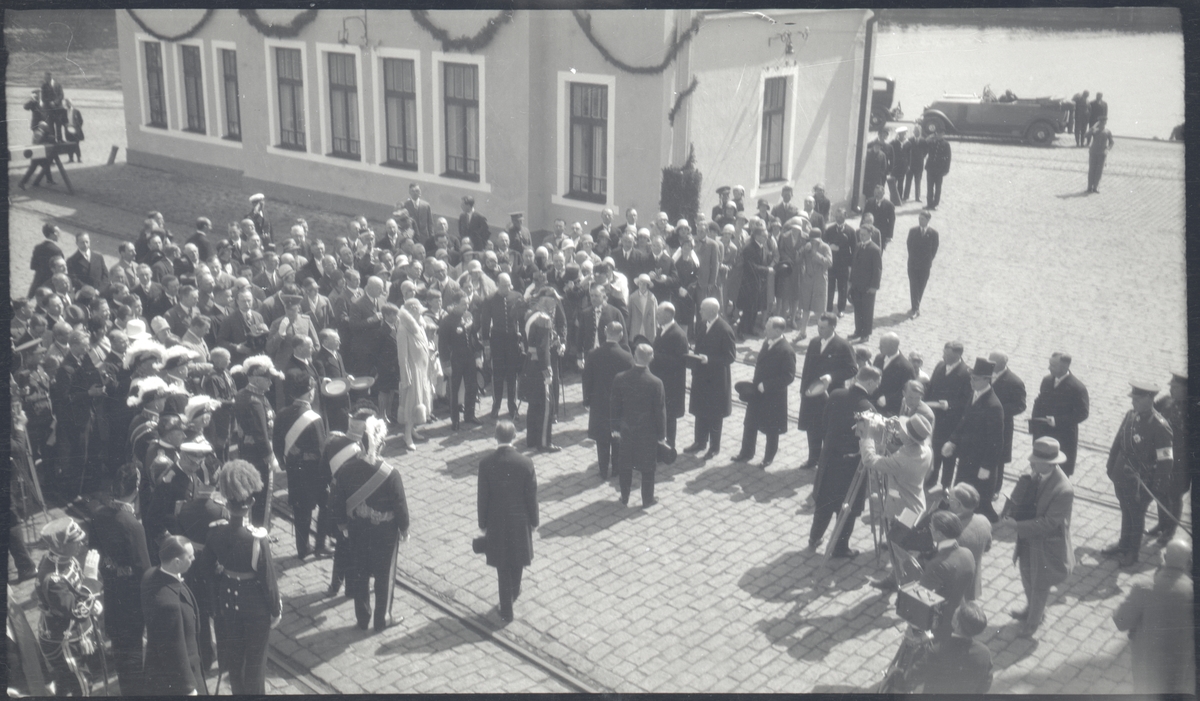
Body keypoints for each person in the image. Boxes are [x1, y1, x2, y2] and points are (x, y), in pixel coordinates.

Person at [196, 460, 280, 694]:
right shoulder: (256, 538)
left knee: (234, 662)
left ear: (226, 501)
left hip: (228, 603)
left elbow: (205, 569)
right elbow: (268, 581)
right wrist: (276, 609)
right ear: (251, 502)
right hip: (255, 607)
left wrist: (219, 589)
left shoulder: (216, 531)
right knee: (255, 667)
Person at [332, 407, 409, 632]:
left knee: (360, 574)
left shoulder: (346, 470)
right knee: (384, 576)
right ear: (381, 444)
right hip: (385, 532)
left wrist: (343, 525)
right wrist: (404, 529)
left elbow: (336, 502)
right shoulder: (391, 474)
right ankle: (382, 618)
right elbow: (400, 506)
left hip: (357, 529)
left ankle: (363, 618)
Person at [1000, 437, 1075, 638]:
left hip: (1046, 545)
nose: (1031, 463)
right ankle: (1032, 609)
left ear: (1050, 463)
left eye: (1035, 460)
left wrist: (1017, 526)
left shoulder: (1064, 489)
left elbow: (1049, 523)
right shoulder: (1037, 474)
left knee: (1040, 584)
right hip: (1029, 539)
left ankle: (1033, 622)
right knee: (1026, 576)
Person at [90, 463, 150, 695]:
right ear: (136, 488)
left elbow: (94, 553)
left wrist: (112, 570)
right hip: (133, 597)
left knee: (118, 644)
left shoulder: (98, 514)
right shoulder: (132, 525)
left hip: (112, 591)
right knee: (133, 648)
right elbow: (144, 570)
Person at [809, 365, 880, 557]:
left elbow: (825, 422)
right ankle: (840, 548)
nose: (876, 388)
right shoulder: (868, 409)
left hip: (829, 458)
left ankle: (814, 538)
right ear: (871, 382)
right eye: (876, 384)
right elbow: (870, 441)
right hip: (851, 467)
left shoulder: (836, 394)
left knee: (823, 503)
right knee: (848, 508)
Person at [1102, 380, 1174, 568]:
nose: (1133, 402)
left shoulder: (1160, 426)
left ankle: (1132, 553)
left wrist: (1157, 487)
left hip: (1141, 482)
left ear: (1150, 399)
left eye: (1137, 399)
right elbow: (1118, 443)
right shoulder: (1130, 415)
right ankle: (1123, 543)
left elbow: (1166, 461)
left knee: (1136, 515)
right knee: (1125, 509)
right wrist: (1111, 468)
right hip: (1122, 475)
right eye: (1133, 398)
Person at [1112, 538, 1194, 695]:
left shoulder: (1144, 587)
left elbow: (1120, 621)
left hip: (1147, 667)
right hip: (1182, 670)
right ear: (1189, 563)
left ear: (1164, 557)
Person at [861, 413, 932, 591]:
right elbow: (903, 452)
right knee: (898, 544)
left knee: (899, 547)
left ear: (908, 438)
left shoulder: (902, 460)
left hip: (905, 511)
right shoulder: (925, 450)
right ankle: (897, 578)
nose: (899, 430)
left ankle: (906, 583)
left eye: (903, 430)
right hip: (915, 505)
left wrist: (867, 436)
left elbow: (870, 460)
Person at [477, 420, 539, 623]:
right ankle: (514, 592)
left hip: (497, 522)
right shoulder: (525, 463)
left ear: (495, 437)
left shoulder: (486, 464)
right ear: (514, 437)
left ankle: (506, 610)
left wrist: (483, 523)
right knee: (517, 558)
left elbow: (483, 498)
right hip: (519, 521)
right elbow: (531, 496)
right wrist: (534, 520)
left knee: (502, 566)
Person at [34, 517, 104, 696]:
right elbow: (77, 611)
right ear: (59, 546)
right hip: (64, 640)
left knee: (66, 683)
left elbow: (77, 592)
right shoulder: (53, 578)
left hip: (75, 632)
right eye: (76, 540)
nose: (82, 542)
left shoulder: (65, 559)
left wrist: (92, 603)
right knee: (81, 683)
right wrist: (91, 579)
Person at [942, 358, 1006, 522]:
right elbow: (964, 421)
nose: (971, 381)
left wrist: (987, 466)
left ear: (986, 380)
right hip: (966, 457)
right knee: (962, 495)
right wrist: (953, 441)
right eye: (971, 378)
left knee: (979, 502)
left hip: (980, 463)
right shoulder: (974, 395)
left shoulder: (994, 405)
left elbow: (996, 441)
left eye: (975, 379)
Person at [141, 536, 206, 695]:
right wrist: (189, 687)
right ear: (177, 562)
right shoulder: (170, 605)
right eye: (190, 557)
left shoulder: (150, 575)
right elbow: (174, 650)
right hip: (181, 677)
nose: (193, 559)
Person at [274, 371, 328, 559]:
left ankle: (302, 549)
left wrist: (285, 462)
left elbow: (277, 444)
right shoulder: (314, 418)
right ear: (310, 392)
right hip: (315, 474)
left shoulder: (281, 414)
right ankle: (321, 545)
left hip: (294, 472)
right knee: (326, 506)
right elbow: (321, 452)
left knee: (300, 512)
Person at [797, 312, 857, 470]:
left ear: (833, 327)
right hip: (812, 395)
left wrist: (832, 376)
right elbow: (807, 368)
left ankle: (827, 463)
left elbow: (852, 369)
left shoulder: (843, 345)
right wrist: (803, 390)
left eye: (823, 327)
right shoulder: (814, 342)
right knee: (812, 428)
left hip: (830, 396)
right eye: (818, 326)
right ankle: (813, 458)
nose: (819, 330)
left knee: (828, 430)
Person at [735, 317, 796, 469]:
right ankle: (746, 452)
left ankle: (768, 457)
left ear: (777, 330)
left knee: (771, 428)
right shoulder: (766, 342)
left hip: (773, 396)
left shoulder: (786, 350)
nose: (764, 329)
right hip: (758, 392)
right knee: (750, 423)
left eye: (768, 327)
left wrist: (767, 385)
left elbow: (789, 376)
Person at [611, 344, 667, 507]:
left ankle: (625, 497)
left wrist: (615, 428)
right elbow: (660, 412)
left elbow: (614, 406)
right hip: (647, 432)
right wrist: (662, 435)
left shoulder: (620, 378)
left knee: (625, 464)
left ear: (635, 356)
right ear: (651, 359)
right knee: (648, 467)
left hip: (626, 429)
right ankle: (647, 499)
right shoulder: (656, 383)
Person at [232, 355, 283, 527]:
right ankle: (260, 531)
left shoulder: (247, 394)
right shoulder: (254, 400)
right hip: (259, 454)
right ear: (254, 378)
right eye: (266, 379)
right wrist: (270, 456)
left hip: (249, 452)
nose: (270, 382)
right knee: (261, 495)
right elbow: (260, 433)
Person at [685, 298, 736, 459]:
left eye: (702, 309)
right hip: (701, 376)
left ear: (712, 312)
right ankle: (699, 441)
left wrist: (710, 359)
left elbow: (730, 357)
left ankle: (714, 446)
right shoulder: (702, 324)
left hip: (716, 380)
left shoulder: (724, 329)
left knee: (715, 414)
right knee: (700, 410)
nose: (699, 312)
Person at [582, 321, 633, 480]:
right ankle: (616, 468)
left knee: (601, 438)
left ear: (605, 332)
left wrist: (586, 401)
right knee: (617, 436)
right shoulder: (627, 356)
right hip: (619, 403)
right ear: (621, 335)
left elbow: (587, 379)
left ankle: (603, 469)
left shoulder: (593, 354)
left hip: (599, 402)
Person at [909, 602, 994, 694]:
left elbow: (912, 678)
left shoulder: (937, 652)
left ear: (957, 624)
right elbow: (984, 686)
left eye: (954, 614)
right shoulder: (985, 653)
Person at [1030, 351, 1090, 477]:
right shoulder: (1046, 380)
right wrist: (1034, 429)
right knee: (1039, 471)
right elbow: (1039, 402)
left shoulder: (1077, 388)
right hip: (1043, 436)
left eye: (1052, 365)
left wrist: (1057, 421)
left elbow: (1082, 413)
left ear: (1065, 367)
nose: (1048, 368)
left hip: (1063, 438)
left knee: (1059, 473)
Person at [918, 511, 975, 642]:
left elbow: (923, 595)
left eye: (931, 527)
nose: (929, 529)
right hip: (960, 608)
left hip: (941, 619)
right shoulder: (967, 553)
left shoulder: (936, 564)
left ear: (939, 534)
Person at [1149, 371, 1189, 544]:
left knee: (1174, 495)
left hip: (1182, 463)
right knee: (1159, 490)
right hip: (1162, 457)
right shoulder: (1166, 401)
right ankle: (1162, 523)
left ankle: (1170, 530)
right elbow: (1149, 412)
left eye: (1175, 386)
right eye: (1171, 385)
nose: (1170, 388)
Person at [925, 341, 971, 488]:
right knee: (934, 455)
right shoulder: (940, 366)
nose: (943, 355)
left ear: (958, 355)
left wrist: (950, 405)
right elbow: (931, 388)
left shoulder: (966, 373)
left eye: (947, 354)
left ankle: (945, 488)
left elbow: (967, 401)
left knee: (948, 459)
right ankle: (930, 482)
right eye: (944, 352)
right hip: (934, 421)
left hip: (951, 424)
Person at [478, 273, 524, 421]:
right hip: (497, 340)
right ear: (497, 284)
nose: (508, 288)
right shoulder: (490, 299)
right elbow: (485, 323)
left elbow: (522, 319)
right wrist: (486, 344)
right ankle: (496, 405)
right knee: (497, 375)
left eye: (509, 284)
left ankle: (512, 406)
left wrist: (522, 338)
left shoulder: (517, 296)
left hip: (512, 340)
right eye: (504, 285)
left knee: (512, 375)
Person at [522, 290, 562, 452]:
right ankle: (544, 442)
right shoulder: (544, 320)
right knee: (546, 406)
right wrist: (547, 371)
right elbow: (543, 349)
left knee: (534, 404)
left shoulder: (531, 314)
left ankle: (532, 439)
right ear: (546, 300)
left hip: (530, 364)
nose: (555, 305)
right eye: (553, 301)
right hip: (540, 366)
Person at [438, 289, 483, 431]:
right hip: (454, 359)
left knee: (472, 387)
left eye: (467, 303)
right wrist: (446, 365)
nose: (466, 306)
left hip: (469, 358)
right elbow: (442, 345)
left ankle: (469, 415)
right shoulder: (446, 321)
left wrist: (477, 356)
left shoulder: (468, 316)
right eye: (463, 304)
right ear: (455, 304)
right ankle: (455, 420)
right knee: (454, 390)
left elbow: (473, 337)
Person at [649, 302, 689, 448]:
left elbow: (680, 361)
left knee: (670, 417)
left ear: (668, 315)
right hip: (660, 380)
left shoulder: (678, 335)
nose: (656, 316)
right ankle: (659, 442)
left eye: (658, 314)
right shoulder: (661, 329)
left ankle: (669, 446)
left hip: (672, 385)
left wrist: (655, 356)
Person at [947, 483, 991, 602]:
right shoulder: (984, 521)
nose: (947, 501)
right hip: (972, 584)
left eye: (949, 498)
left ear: (957, 505)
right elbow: (987, 547)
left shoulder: (951, 533)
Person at [988, 351, 1026, 487]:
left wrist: (998, 410)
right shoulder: (985, 373)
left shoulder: (1014, 382)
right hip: (984, 423)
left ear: (1003, 364)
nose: (990, 364)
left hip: (1002, 425)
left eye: (994, 362)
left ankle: (996, 488)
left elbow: (1020, 406)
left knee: (999, 458)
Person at [847, 226, 881, 343]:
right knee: (858, 309)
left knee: (867, 310)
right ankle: (858, 330)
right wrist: (850, 281)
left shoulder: (875, 249)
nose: (861, 237)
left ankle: (866, 333)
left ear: (870, 234)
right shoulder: (858, 246)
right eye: (860, 234)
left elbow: (877, 270)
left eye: (864, 234)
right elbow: (854, 264)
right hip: (857, 285)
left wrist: (874, 286)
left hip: (868, 286)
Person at [905, 210, 939, 318]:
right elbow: (909, 246)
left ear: (928, 220)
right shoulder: (913, 231)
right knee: (913, 285)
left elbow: (934, 250)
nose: (920, 221)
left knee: (921, 286)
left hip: (925, 265)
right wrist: (913, 258)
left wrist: (928, 260)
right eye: (919, 219)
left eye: (923, 219)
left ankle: (916, 305)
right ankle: (915, 309)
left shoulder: (933, 234)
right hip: (913, 264)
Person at [872, 333, 915, 417]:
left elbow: (907, 391)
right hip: (873, 403)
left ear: (892, 347)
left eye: (882, 345)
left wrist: (888, 399)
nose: (879, 347)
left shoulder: (906, 367)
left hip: (889, 410)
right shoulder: (879, 358)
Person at [924, 126, 952, 209]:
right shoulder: (931, 142)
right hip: (930, 168)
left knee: (938, 187)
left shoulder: (946, 144)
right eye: (937, 133)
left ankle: (935, 203)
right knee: (929, 187)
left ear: (943, 134)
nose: (938, 135)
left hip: (940, 169)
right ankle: (929, 204)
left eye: (940, 134)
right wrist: (928, 139)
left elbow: (948, 158)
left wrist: (946, 170)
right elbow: (924, 148)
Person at [862, 184, 896, 250]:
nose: (876, 195)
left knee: (879, 250)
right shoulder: (869, 202)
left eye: (879, 193)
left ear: (883, 193)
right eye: (875, 193)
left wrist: (889, 236)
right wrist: (862, 227)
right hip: (868, 230)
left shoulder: (889, 205)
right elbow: (864, 216)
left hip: (882, 233)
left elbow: (892, 221)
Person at [1086, 117, 1114, 193]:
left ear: (1105, 123)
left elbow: (1111, 142)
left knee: (1099, 171)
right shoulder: (1094, 131)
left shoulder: (1107, 132)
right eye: (1101, 122)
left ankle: (1095, 187)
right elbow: (1086, 135)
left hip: (1102, 153)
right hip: (1093, 152)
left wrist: (1107, 149)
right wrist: (1093, 127)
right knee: (1091, 170)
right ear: (1099, 122)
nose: (1102, 123)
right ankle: (1089, 187)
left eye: (1104, 122)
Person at [903, 124, 926, 202]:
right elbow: (905, 151)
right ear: (913, 132)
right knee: (908, 181)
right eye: (915, 131)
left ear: (921, 131)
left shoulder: (923, 141)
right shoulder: (909, 140)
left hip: (919, 165)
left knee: (918, 182)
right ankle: (906, 196)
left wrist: (921, 157)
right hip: (910, 164)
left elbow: (926, 152)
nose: (917, 132)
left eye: (918, 131)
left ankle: (917, 197)